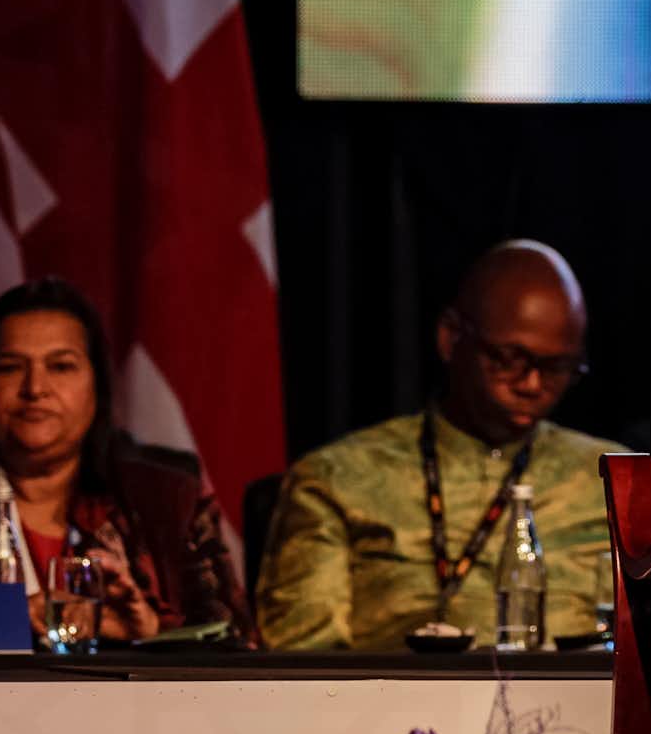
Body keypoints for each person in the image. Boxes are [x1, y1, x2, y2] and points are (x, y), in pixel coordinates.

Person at [257, 240, 618, 651]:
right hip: (390, 693)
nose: (532, 384)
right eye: (510, 359)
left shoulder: (610, 478)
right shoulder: (338, 478)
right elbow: (305, 661)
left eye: (558, 367)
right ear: (450, 338)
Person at [0, 278, 253, 644]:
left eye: (61, 366)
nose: (35, 388)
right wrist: (4, 621)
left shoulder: (171, 502)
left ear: (97, 385)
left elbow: (237, 652)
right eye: (10, 367)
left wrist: (149, 633)